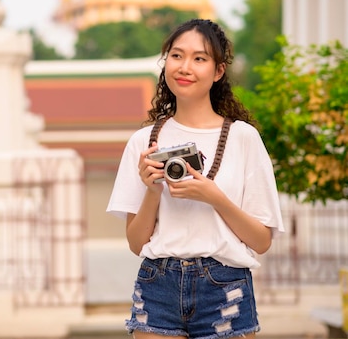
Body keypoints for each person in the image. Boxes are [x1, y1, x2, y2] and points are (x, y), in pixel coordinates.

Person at [106, 19, 284, 339]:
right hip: (157, 284)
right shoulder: (145, 142)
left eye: (199, 59)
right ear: (165, 63)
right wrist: (153, 191)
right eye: (176, 56)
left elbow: (261, 241)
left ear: (218, 71)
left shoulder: (243, 138)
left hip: (225, 286)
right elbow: (136, 243)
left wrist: (213, 196)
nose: (185, 67)